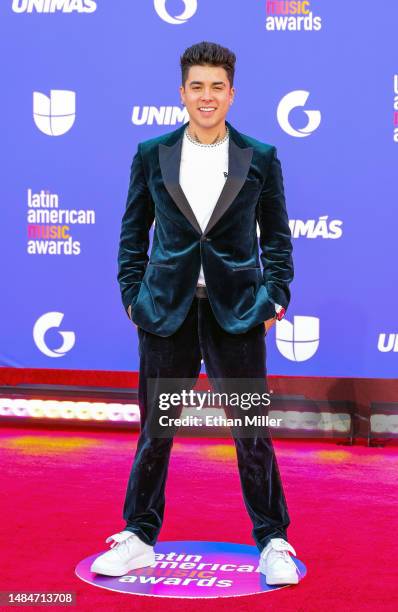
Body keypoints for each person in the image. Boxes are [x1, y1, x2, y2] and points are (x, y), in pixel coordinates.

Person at [91, 41, 298, 585]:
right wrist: (133, 297)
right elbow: (133, 232)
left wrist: (275, 296)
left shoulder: (261, 157)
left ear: (232, 93)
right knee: (155, 429)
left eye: (217, 87)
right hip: (166, 311)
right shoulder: (151, 153)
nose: (207, 96)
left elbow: (276, 238)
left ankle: (273, 539)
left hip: (237, 312)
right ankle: (138, 535)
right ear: (182, 92)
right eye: (197, 86)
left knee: (251, 431)